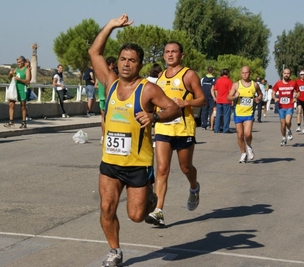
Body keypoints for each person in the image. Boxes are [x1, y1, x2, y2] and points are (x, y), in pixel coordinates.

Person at [88, 14, 182, 267]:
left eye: (132, 60)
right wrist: (110, 26)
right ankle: (115, 250)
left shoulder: (147, 89)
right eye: (122, 59)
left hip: (138, 164)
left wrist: (155, 116)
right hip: (110, 162)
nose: (126, 64)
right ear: (117, 62)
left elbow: (173, 108)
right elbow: (94, 53)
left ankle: (150, 197)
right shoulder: (109, 83)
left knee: (137, 215)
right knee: (107, 207)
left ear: (139, 65)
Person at [145, 41, 206, 226]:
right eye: (167, 52)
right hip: (163, 128)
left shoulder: (189, 75)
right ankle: (158, 211)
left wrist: (187, 103)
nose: (170, 55)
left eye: (174, 52)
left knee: (185, 167)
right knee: (162, 169)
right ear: (163, 55)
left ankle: (194, 187)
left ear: (182, 55)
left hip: (183, 129)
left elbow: (202, 99)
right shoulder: (160, 77)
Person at [227, 66, 263, 163]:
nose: (244, 74)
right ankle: (243, 153)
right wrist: (234, 96)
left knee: (247, 134)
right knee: (240, 135)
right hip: (238, 113)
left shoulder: (254, 85)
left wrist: (258, 99)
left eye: (246, 72)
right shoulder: (236, 85)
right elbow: (228, 97)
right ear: (240, 73)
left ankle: (249, 146)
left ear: (250, 73)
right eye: (243, 73)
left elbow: (260, 94)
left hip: (249, 113)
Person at [272, 68, 299, 146]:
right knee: (282, 124)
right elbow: (273, 92)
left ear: (290, 74)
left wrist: (295, 98)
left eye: (288, 73)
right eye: (285, 73)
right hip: (281, 106)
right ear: (282, 74)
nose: (286, 75)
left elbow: (298, 92)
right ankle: (284, 138)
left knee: (287, 121)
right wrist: (275, 98)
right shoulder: (278, 83)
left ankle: (289, 130)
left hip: (289, 105)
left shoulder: (293, 83)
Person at [4, 55, 31, 129]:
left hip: (22, 89)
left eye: (19, 62)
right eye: (17, 62)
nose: (18, 63)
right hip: (15, 89)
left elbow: (28, 80)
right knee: (11, 104)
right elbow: (9, 78)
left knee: (23, 106)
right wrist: (10, 74)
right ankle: (11, 121)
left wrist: (19, 79)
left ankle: (24, 122)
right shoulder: (16, 69)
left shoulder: (26, 70)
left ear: (23, 62)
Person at [96, 56, 117, 145]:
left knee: (103, 118)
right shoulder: (111, 74)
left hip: (101, 98)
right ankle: (108, 136)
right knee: (109, 119)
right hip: (110, 98)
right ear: (111, 64)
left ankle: (103, 136)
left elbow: (96, 85)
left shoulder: (100, 73)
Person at [212, 69, 233, 133]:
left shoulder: (218, 80)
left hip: (219, 100)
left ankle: (216, 129)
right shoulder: (229, 81)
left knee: (218, 115)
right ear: (228, 74)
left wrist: (216, 97)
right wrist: (231, 100)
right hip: (226, 100)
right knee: (226, 115)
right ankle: (225, 129)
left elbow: (215, 90)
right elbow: (230, 91)